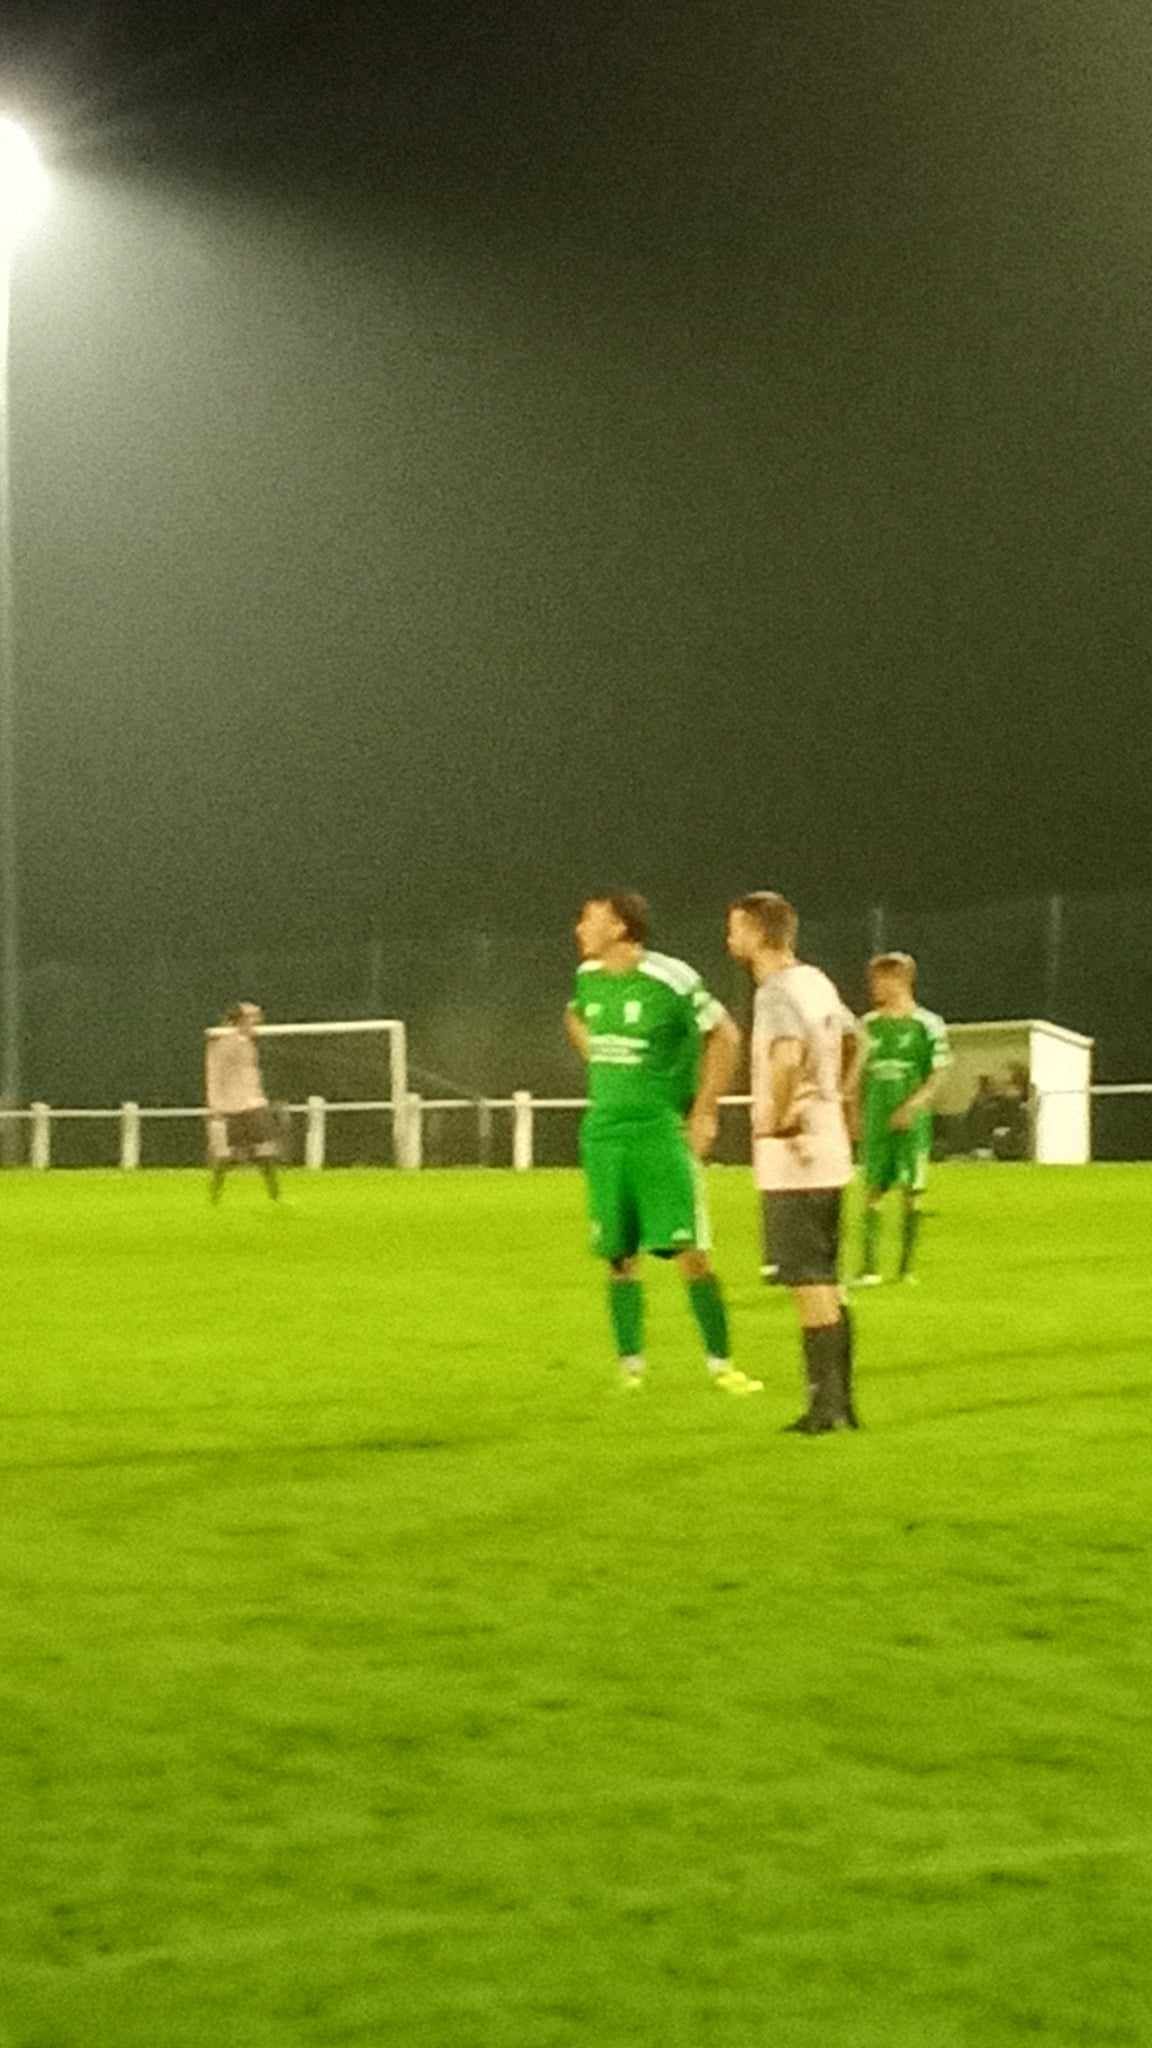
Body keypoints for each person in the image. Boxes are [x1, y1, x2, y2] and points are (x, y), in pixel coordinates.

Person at [567, 892, 760, 1394]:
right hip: (605, 1133)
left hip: (657, 1131)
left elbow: (726, 1035)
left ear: (621, 927)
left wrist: (705, 1110)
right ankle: (630, 1369)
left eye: (590, 919)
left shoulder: (670, 978)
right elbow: (574, 1016)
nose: (579, 929)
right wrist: (600, 1060)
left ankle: (723, 1366)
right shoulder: (587, 979)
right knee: (618, 1255)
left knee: (690, 1250)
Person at [726, 890, 859, 1433]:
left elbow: (784, 1057)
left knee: (806, 1280)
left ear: (759, 933)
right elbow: (856, 1040)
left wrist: (779, 1117)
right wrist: (838, 1099)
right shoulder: (817, 981)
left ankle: (824, 1408)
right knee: (826, 1277)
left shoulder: (777, 991)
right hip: (828, 1143)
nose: (729, 939)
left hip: (795, 1150)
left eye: (735, 928)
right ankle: (841, 1403)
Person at [856, 952, 951, 1283]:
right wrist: (853, 1113)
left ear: (902, 981)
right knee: (872, 1189)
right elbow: (856, 1075)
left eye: (882, 979)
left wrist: (912, 1106)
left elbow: (938, 1073)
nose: (876, 987)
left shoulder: (927, 1023)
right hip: (876, 1118)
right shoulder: (867, 1025)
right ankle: (869, 1268)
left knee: (912, 1189)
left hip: (913, 1121)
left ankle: (905, 1269)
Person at [205, 1002, 281, 1202]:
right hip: (234, 1106)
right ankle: (215, 1194)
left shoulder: (248, 1043)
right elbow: (214, 1074)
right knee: (231, 1155)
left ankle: (275, 1197)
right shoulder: (224, 1043)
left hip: (254, 1104)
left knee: (264, 1149)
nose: (257, 1021)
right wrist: (215, 1105)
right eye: (252, 1017)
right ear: (240, 1020)